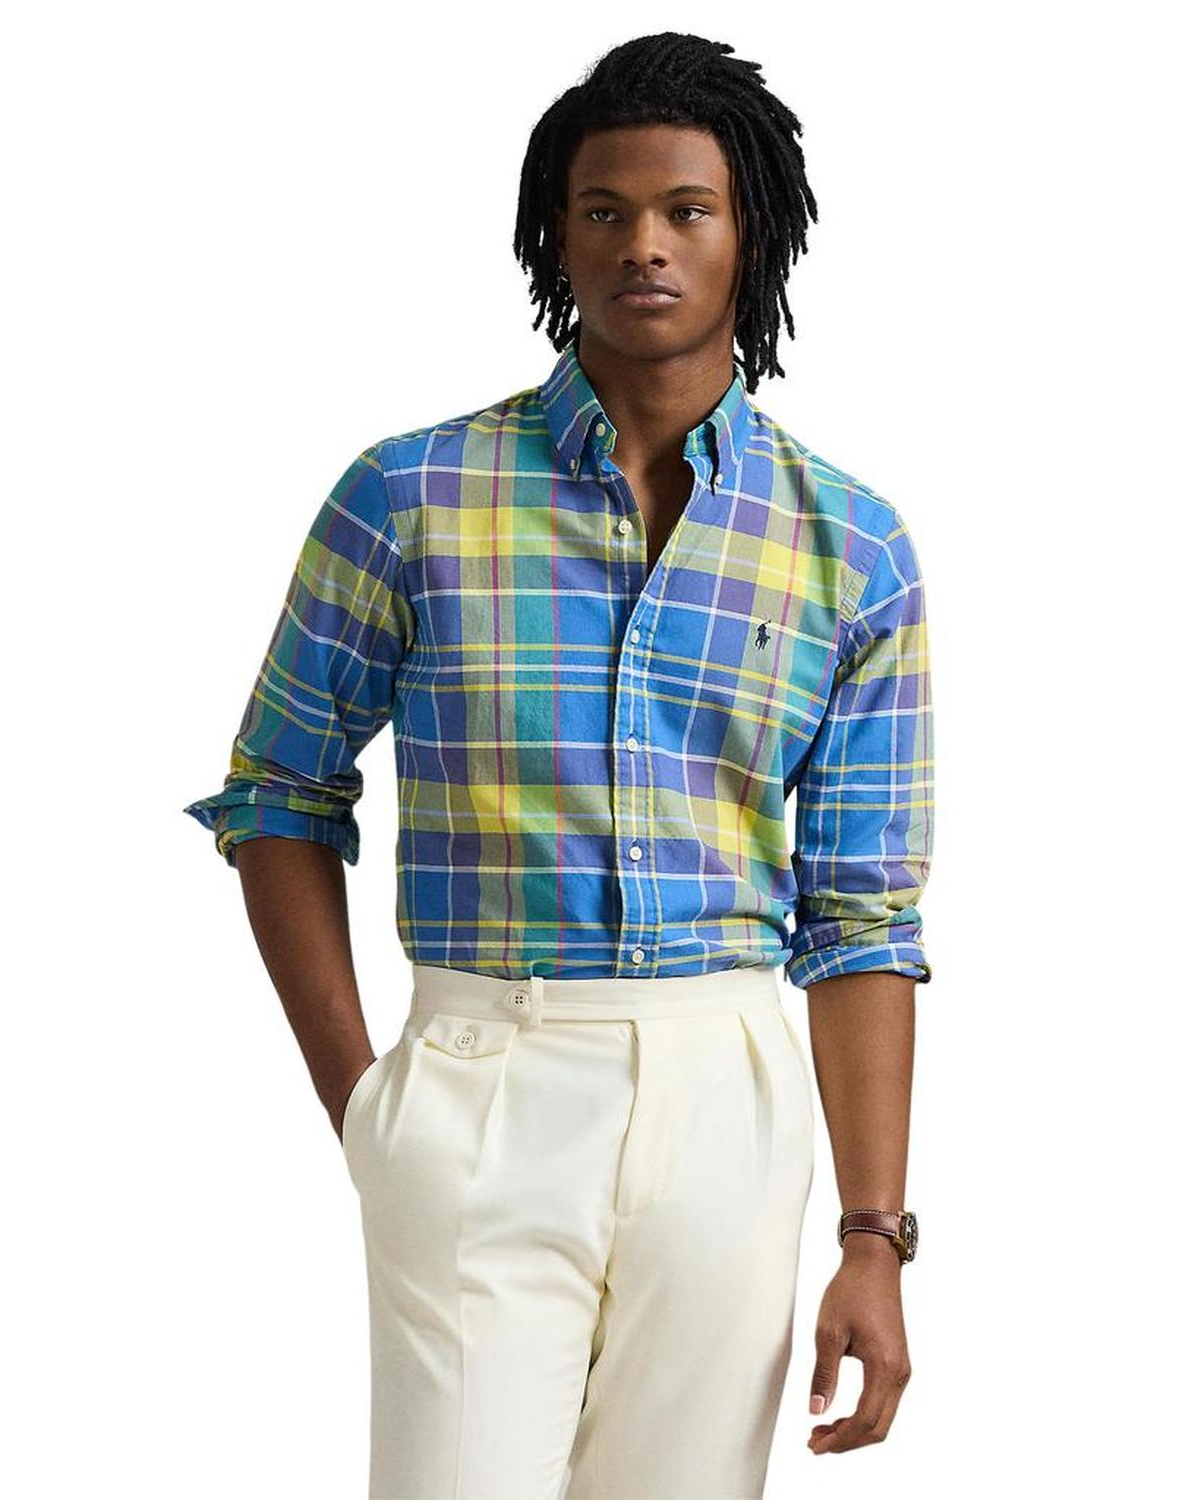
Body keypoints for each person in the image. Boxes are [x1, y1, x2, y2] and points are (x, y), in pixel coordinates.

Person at [184, 30, 934, 1498]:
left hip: (729, 1094)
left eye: (685, 210)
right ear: (556, 236)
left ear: (750, 236)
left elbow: (862, 916)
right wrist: (365, 1107)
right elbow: (277, 796)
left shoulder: (851, 544)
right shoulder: (408, 495)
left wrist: (873, 1236)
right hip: (482, 1076)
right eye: (604, 210)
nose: (642, 243)